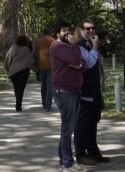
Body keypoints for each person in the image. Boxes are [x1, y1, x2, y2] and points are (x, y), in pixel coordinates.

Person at [74, 19, 111, 166]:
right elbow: (88, 64)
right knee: (83, 123)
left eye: (92, 28)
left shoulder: (90, 44)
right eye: (87, 29)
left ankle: (93, 151)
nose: (90, 31)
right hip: (85, 90)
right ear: (81, 30)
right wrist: (95, 47)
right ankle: (81, 153)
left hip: (95, 90)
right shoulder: (79, 46)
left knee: (93, 121)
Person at [49, 21, 84, 170]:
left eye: (68, 30)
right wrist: (75, 46)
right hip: (65, 91)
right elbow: (76, 59)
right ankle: (67, 164)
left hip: (72, 89)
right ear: (57, 33)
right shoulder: (58, 46)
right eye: (64, 31)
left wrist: (77, 63)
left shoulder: (66, 47)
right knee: (67, 128)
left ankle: (64, 162)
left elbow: (81, 63)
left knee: (68, 127)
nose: (67, 33)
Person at [4, 34, 34, 112]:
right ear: (25, 41)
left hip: (13, 72)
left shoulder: (13, 47)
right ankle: (18, 105)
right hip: (23, 72)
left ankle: (18, 104)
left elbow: (7, 60)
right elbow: (30, 62)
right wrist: (35, 69)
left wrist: (7, 70)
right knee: (20, 89)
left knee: (16, 88)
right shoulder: (26, 49)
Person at [34, 27, 55, 112]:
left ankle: (44, 103)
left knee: (44, 85)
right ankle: (48, 106)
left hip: (41, 65)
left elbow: (35, 52)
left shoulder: (39, 41)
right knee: (50, 86)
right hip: (51, 65)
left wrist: (35, 64)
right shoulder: (53, 41)